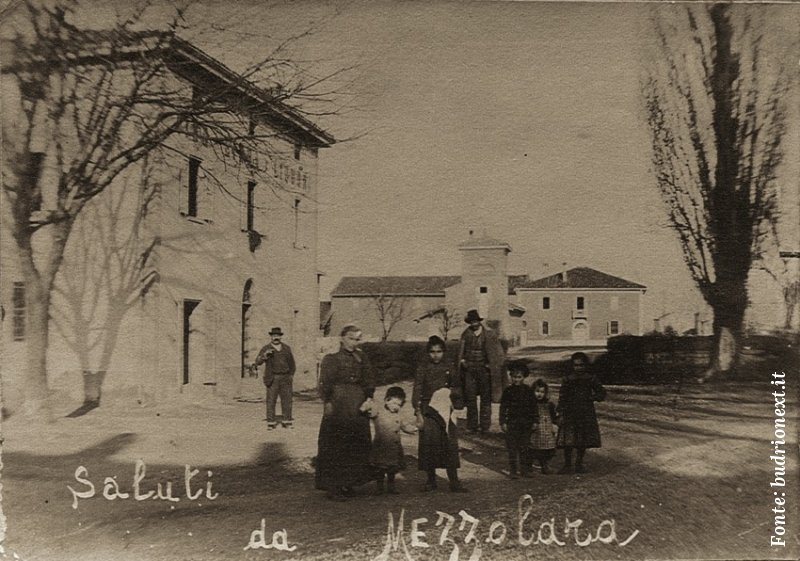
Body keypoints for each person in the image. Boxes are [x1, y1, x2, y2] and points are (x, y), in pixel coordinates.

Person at [315, 325, 376, 501]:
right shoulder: (331, 359)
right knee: (336, 443)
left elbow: (369, 379)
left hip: (357, 404)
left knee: (355, 443)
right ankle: (333, 486)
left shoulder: (361, 358)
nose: (354, 342)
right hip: (338, 404)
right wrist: (327, 402)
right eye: (350, 338)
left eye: (357, 339)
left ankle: (349, 482)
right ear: (342, 338)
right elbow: (325, 383)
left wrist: (369, 398)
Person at [555, 352, 606, 474]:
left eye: (581, 365)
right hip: (570, 412)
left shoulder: (590, 378)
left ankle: (579, 464)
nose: (578, 368)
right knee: (568, 439)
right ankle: (567, 465)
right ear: (572, 366)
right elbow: (562, 396)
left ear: (586, 366)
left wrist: (592, 397)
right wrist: (560, 411)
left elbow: (602, 393)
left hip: (585, 412)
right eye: (576, 365)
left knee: (582, 439)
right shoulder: (567, 379)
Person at [457, 309, 505, 433]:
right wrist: (462, 361)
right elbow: (460, 352)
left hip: (484, 371)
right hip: (469, 370)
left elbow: (496, 353)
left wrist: (490, 365)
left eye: (475, 321)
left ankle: (485, 426)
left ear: (479, 321)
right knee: (470, 398)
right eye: (471, 322)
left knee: (486, 399)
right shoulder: (465, 334)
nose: (474, 324)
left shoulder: (489, 334)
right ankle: (472, 425)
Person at [418, 386, 468, 492]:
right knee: (431, 450)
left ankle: (454, 482)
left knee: (451, 451)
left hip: (446, 419)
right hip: (434, 420)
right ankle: (431, 481)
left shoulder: (453, 398)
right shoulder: (440, 398)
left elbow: (456, 411)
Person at [369, 386, 417, 494]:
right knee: (380, 468)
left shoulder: (399, 415)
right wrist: (369, 402)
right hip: (381, 446)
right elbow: (369, 412)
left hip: (394, 447)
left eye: (399, 405)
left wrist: (413, 429)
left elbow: (404, 425)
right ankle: (379, 487)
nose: (396, 407)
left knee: (392, 469)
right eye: (394, 403)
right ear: (387, 400)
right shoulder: (378, 412)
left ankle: (391, 487)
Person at [252, 327, 296, 429]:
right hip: (272, 378)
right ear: (271, 337)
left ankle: (287, 421)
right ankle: (271, 423)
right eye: (274, 336)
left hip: (285, 378)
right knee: (271, 400)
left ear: (281, 337)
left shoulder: (286, 348)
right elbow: (258, 362)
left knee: (287, 400)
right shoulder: (266, 348)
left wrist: (290, 376)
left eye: (278, 336)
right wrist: (264, 356)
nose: (276, 337)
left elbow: (292, 364)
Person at [499, 362, 537, 478]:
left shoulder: (528, 391)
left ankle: (524, 470)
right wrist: (503, 422)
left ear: (524, 377)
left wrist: (535, 420)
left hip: (526, 423)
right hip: (512, 423)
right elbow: (503, 407)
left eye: (519, 377)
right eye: (514, 377)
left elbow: (533, 406)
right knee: (512, 448)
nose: (516, 379)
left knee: (524, 447)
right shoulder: (508, 391)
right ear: (511, 376)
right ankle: (513, 471)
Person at [529, 378, 558, 474]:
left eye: (542, 392)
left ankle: (545, 465)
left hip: (547, 430)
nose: (539, 394)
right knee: (533, 448)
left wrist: (554, 425)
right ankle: (528, 466)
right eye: (537, 391)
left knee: (547, 449)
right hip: (535, 430)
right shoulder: (530, 404)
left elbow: (554, 417)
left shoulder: (549, 405)